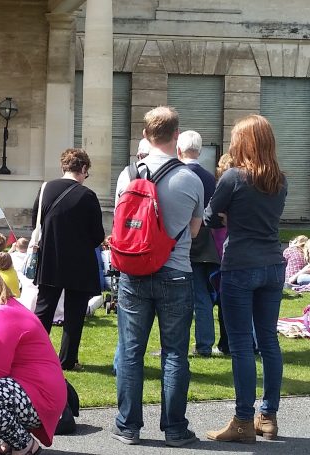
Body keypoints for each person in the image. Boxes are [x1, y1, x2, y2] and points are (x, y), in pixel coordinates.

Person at [111, 107, 202, 447]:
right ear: (177, 136)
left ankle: (128, 426)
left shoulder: (128, 174)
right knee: (175, 353)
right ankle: (175, 429)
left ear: (145, 135)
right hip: (175, 274)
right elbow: (194, 230)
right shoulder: (190, 178)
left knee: (131, 351)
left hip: (133, 272)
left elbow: (120, 224)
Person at [204, 114, 287, 443]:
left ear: (244, 143)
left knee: (240, 346)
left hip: (240, 265)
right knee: (268, 342)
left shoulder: (234, 178)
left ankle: (241, 420)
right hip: (272, 265)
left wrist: (226, 213)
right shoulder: (279, 180)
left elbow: (211, 216)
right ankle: (267, 415)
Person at [0, 260, 66, 455]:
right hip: (35, 391)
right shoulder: (3, 309)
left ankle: (25, 445)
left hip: (40, 395)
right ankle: (14, 440)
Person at [32, 148, 105, 371]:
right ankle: (67, 360)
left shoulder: (45, 188)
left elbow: (36, 221)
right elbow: (97, 235)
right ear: (83, 168)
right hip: (79, 262)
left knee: (43, 311)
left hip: (50, 258)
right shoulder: (88, 196)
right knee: (74, 315)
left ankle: (34, 355)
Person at [178, 130, 222, 357]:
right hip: (207, 243)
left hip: (184, 242)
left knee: (183, 298)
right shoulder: (210, 178)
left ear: (179, 150)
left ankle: (196, 345)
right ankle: (204, 343)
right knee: (203, 295)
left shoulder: (177, 174)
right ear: (200, 150)